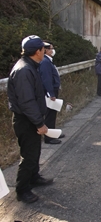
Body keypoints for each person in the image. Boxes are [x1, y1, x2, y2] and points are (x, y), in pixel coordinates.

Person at [7, 35, 53, 204]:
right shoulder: (24, 70)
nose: (46, 51)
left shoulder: (31, 66)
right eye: (44, 49)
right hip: (26, 120)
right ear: (38, 51)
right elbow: (27, 102)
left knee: (35, 152)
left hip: (30, 118)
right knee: (28, 155)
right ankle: (22, 189)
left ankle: (34, 177)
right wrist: (39, 123)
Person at [39, 41, 64, 144]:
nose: (53, 50)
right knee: (50, 114)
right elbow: (46, 79)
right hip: (50, 92)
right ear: (45, 50)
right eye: (51, 49)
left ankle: (53, 133)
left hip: (53, 90)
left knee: (53, 113)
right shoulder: (45, 62)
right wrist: (51, 93)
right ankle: (49, 138)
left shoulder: (48, 61)